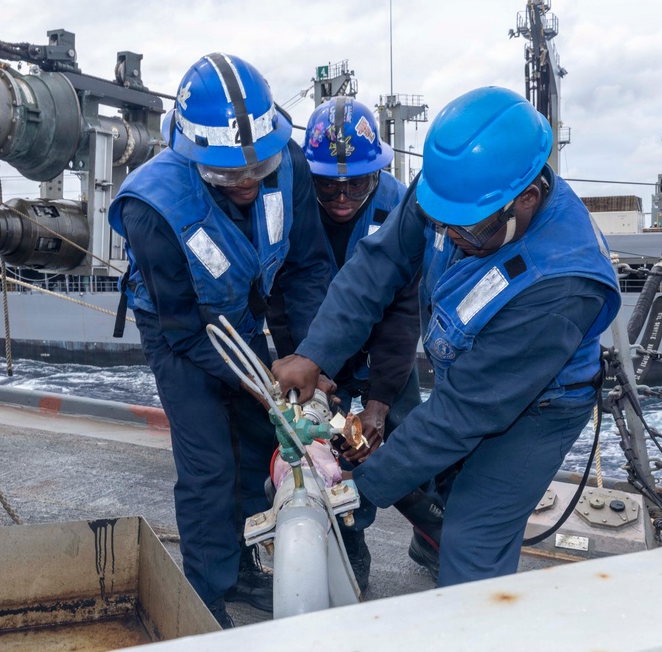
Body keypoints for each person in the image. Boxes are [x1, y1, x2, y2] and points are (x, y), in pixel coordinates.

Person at [273, 87, 621, 587]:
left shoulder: (563, 285)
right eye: (442, 224)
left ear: (524, 199)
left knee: (473, 538)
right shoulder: (458, 190)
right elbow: (380, 263)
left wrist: (361, 484)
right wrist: (315, 354)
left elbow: (465, 411)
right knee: (444, 479)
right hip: (471, 374)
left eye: (467, 233)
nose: (451, 238)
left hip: (537, 408)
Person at [107, 53, 331, 627]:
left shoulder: (289, 165)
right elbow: (184, 327)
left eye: (259, 171)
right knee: (208, 461)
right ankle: (206, 592)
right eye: (231, 177)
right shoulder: (150, 208)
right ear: (195, 158)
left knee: (260, 441)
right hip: (176, 329)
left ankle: (247, 568)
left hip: (240, 312)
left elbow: (306, 268)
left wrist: (306, 359)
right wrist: (263, 386)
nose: (251, 188)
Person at [266, 96, 435, 589]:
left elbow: (404, 312)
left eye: (356, 183)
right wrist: (310, 367)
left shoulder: (402, 209)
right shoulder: (295, 210)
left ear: (377, 175)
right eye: (328, 184)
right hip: (314, 346)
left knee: (409, 436)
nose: (341, 196)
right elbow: (281, 296)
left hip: (384, 345)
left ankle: (430, 530)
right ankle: (348, 538)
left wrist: (380, 401)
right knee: (326, 441)